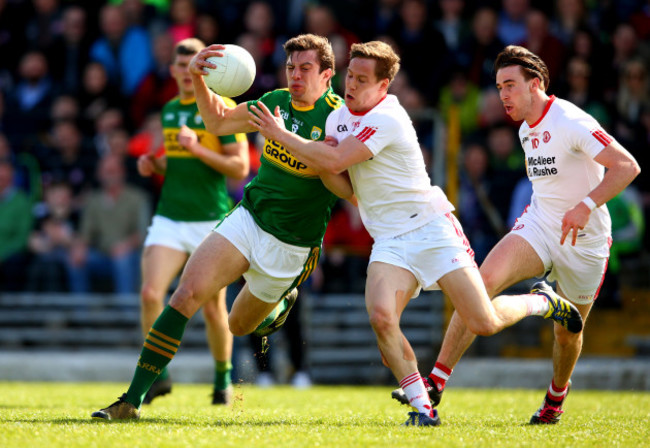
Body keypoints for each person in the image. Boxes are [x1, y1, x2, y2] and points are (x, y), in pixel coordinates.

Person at [247, 40, 584, 427]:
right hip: (390, 240)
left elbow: (338, 158)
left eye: (361, 80)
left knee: (483, 322)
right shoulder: (338, 119)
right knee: (381, 317)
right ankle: (424, 408)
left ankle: (542, 302)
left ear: (383, 85)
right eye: (349, 77)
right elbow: (345, 185)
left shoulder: (389, 117)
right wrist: (318, 161)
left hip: (431, 229)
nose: (350, 86)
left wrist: (282, 136)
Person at [91, 34, 346, 420]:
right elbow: (218, 120)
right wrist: (199, 79)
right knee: (184, 295)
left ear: (327, 74)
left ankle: (279, 302)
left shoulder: (340, 118)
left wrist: (280, 135)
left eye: (305, 69)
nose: (295, 76)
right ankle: (132, 399)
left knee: (238, 324)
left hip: (293, 243)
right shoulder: (275, 101)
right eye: (291, 67)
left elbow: (333, 171)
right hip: (249, 217)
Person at [391, 45, 641, 425]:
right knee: (480, 282)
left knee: (567, 334)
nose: (502, 95)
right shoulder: (526, 129)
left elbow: (627, 166)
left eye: (510, 85)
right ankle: (436, 381)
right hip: (540, 226)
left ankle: (555, 399)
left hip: (585, 240)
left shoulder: (571, 121)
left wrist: (585, 206)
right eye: (499, 86)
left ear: (535, 83)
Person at [134, 38, 250, 406]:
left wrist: (197, 147)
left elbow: (240, 168)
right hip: (170, 216)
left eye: (193, 66)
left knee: (214, 309)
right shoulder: (169, 111)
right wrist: (155, 164)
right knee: (150, 294)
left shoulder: (223, 109)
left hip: (209, 221)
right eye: (181, 66)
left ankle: (222, 381)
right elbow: (177, 161)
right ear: (172, 71)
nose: (186, 73)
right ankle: (158, 375)